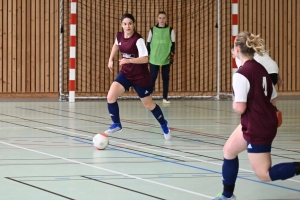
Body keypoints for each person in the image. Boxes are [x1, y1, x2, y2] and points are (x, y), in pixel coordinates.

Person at [213, 32, 300, 200]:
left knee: (264, 174)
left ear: (237, 50)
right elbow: (273, 99)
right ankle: (227, 195)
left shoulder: (241, 74)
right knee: (229, 151)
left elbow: (240, 107)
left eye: (233, 48)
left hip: (257, 126)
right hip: (259, 122)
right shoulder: (261, 68)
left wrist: (236, 104)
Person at [105, 13, 171, 140]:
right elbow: (116, 44)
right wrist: (110, 59)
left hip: (140, 77)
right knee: (110, 96)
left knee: (148, 104)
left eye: (130, 23)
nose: (127, 26)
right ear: (121, 25)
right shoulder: (119, 36)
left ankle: (164, 124)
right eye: (125, 24)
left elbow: (145, 58)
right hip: (125, 74)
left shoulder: (138, 39)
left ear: (133, 24)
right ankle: (117, 124)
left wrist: (129, 61)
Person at [231, 46, 282, 127]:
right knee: (267, 97)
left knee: (254, 98)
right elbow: (271, 63)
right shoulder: (256, 49)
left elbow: (244, 73)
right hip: (273, 71)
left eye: (232, 53)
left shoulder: (240, 57)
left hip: (262, 72)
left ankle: (264, 118)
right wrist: (279, 78)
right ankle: (272, 113)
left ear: (236, 50)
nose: (233, 56)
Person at [147, 11, 176, 104]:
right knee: (152, 77)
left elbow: (173, 45)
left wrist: (172, 55)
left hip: (166, 58)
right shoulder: (152, 30)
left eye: (163, 18)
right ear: (157, 19)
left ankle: (165, 98)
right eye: (160, 18)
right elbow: (148, 44)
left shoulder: (170, 30)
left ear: (166, 19)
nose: (162, 20)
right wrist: (146, 55)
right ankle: (149, 97)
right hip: (154, 58)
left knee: (165, 78)